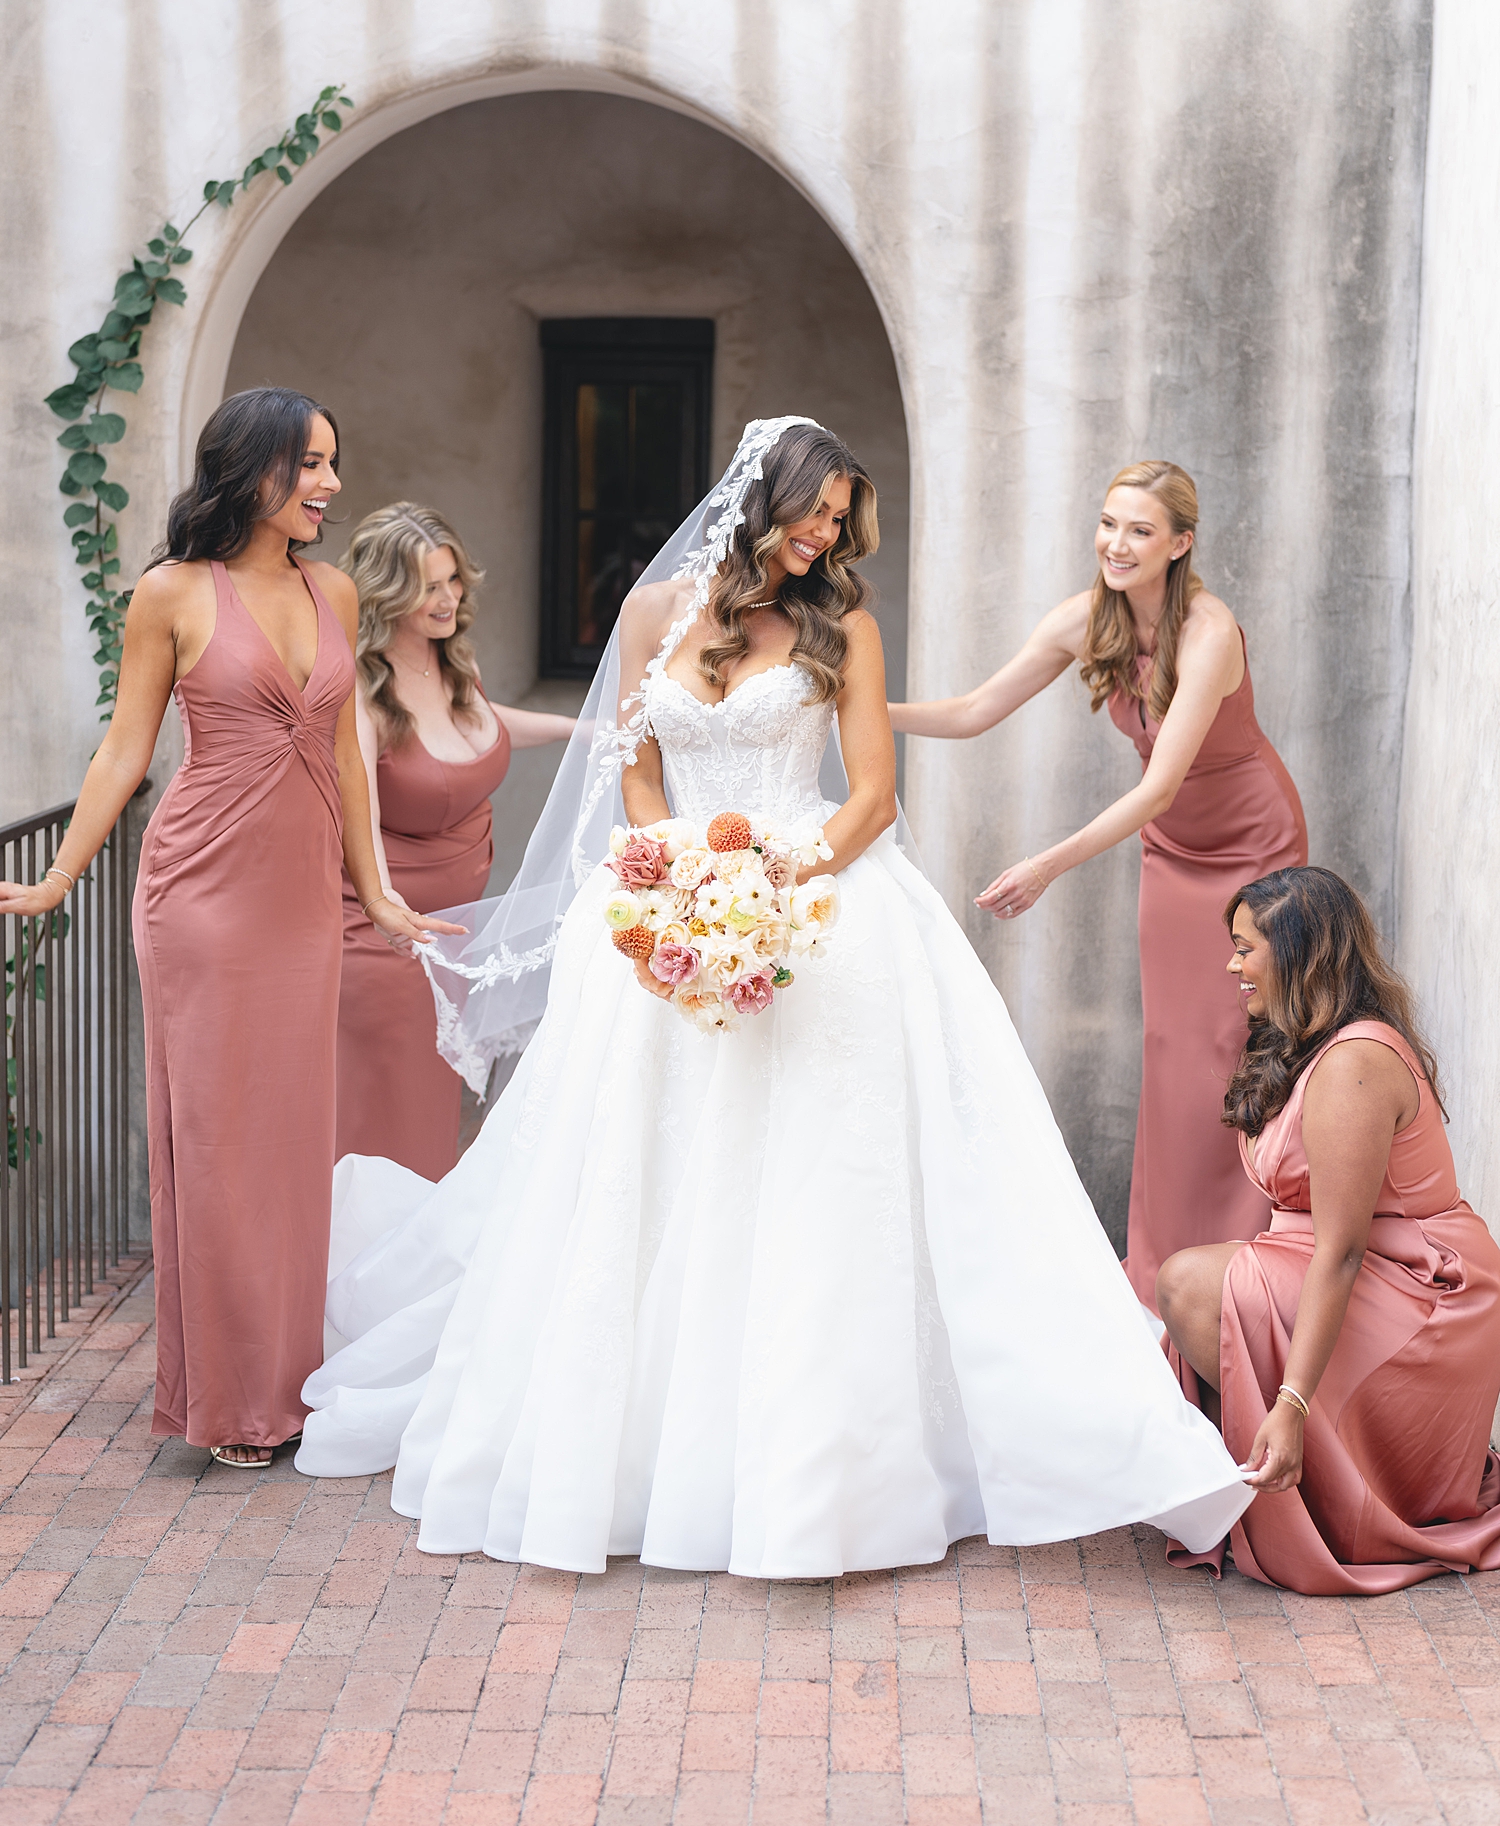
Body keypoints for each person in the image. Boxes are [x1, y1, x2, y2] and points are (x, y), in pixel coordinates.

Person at [294, 417, 1254, 1579]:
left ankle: (820, 1465)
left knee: (811, 1182)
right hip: (671, 900)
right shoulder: (654, 613)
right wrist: (678, 875)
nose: (828, 535)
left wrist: (768, 883)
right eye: (818, 512)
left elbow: (873, 798)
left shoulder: (844, 622)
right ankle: (641, 1443)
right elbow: (636, 765)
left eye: (842, 521)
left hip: (816, 900)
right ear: (766, 498)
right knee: (649, 1172)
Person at [0, 389, 456, 1469]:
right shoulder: (171, 592)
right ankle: (233, 1402)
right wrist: (60, 875)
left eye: (332, 461)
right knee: (217, 1147)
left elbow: (343, 756)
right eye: (311, 463)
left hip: (302, 905)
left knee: (292, 1143)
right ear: (251, 470)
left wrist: (373, 891)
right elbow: (126, 749)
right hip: (201, 896)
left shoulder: (332, 587)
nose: (330, 484)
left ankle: (288, 1381)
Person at [889, 461, 1307, 1307]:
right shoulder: (1085, 620)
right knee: (1172, 1051)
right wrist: (854, 709)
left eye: (1140, 530)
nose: (1117, 543)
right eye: (1109, 523)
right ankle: (1160, 1273)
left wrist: (1047, 865)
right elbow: (973, 711)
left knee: (1233, 1047)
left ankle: (1242, 1269)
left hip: (1251, 848)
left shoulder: (1208, 633)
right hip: (1173, 852)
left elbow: (1158, 786)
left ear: (1179, 544)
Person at [1158, 867, 1500, 1593]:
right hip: (1360, 1264)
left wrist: (1291, 1402)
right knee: (1201, 1285)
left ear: (1299, 953)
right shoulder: (1299, 1042)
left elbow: (1340, 1251)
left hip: (1422, 1291)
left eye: (1245, 948)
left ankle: (1325, 1482)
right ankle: (1285, 1473)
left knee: (1190, 1284)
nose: (1232, 966)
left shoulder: (1355, 1063)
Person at [336, 503, 575, 1181]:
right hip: (382, 939)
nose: (447, 600)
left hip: (451, 942)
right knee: (385, 1117)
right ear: (387, 593)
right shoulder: (360, 689)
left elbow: (480, 726)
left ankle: (412, 1244)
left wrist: (582, 730)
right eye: (427, 587)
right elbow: (358, 809)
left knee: (431, 1115)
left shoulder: (449, 665)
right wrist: (386, 906)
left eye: (452, 580)